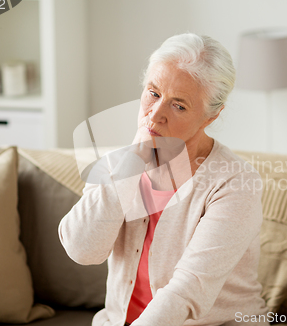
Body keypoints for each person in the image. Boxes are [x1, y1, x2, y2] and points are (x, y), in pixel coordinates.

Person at [58, 33, 270, 326]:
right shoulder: (118, 164)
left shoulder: (235, 183)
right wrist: (132, 161)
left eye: (178, 105)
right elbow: (82, 249)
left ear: (211, 117)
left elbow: (187, 290)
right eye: (153, 93)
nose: (155, 115)